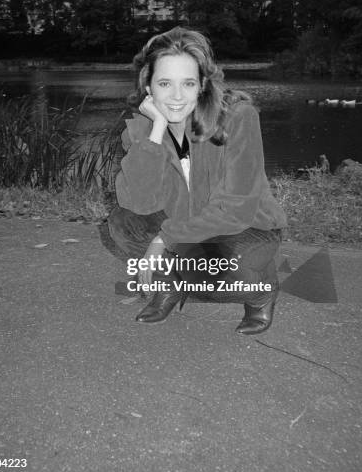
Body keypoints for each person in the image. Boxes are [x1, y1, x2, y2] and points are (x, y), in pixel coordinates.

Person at [108, 27, 287, 334]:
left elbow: (237, 208)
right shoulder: (141, 129)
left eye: (187, 83)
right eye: (164, 83)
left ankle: (260, 292)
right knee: (124, 223)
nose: (176, 97)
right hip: (187, 227)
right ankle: (170, 287)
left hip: (246, 228)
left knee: (222, 279)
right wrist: (156, 130)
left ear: (202, 84)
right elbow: (138, 202)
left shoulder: (238, 117)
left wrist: (165, 239)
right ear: (148, 86)